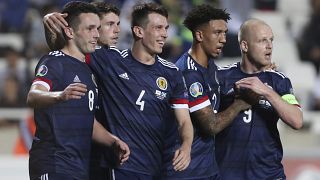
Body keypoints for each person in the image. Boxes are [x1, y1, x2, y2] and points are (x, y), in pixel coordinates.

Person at [44, 2, 194, 179]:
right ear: (138, 31)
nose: (165, 34)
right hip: (122, 166)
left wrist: (186, 147)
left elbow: (184, 121)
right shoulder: (111, 61)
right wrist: (49, 22)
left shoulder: (172, 72)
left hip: (159, 167)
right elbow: (65, 49)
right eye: (158, 28)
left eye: (166, 28)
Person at [27, 2, 129, 180]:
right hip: (53, 162)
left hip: (79, 167)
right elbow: (33, 95)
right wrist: (60, 95)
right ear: (70, 32)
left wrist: (112, 140)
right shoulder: (54, 60)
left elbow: (88, 120)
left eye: (97, 28)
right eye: (90, 28)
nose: (96, 34)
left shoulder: (88, 70)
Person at [162, 5, 251, 179]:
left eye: (225, 33)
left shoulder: (210, 67)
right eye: (217, 33)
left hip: (206, 168)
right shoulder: (188, 73)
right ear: (200, 35)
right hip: (187, 170)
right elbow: (211, 125)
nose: (223, 39)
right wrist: (240, 104)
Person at [215, 19, 303, 179]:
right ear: (245, 46)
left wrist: (267, 92)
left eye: (271, 40)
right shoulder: (221, 78)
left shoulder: (279, 81)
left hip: (268, 174)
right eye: (263, 40)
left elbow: (297, 121)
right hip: (228, 174)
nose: (269, 45)